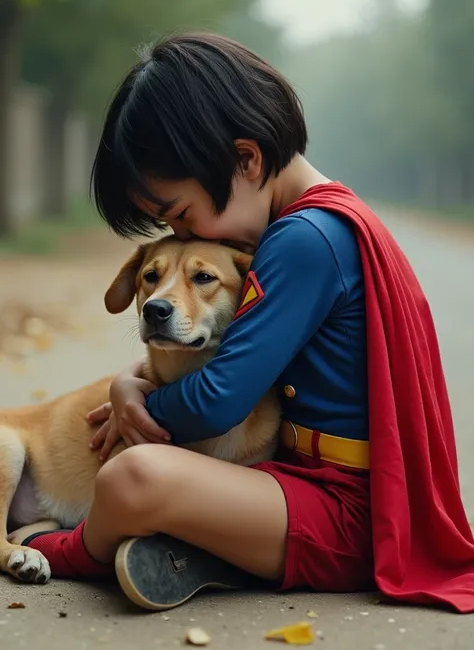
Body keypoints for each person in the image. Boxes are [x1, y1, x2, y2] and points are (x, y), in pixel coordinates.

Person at [21, 32, 474, 613]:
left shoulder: (304, 240)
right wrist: (133, 376)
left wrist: (136, 403)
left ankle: (72, 551)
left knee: (131, 477)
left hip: (343, 515)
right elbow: (236, 352)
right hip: (300, 488)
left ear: (246, 160)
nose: (187, 239)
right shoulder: (319, 221)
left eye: (180, 215)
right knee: (156, 477)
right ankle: (215, 553)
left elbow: (216, 399)